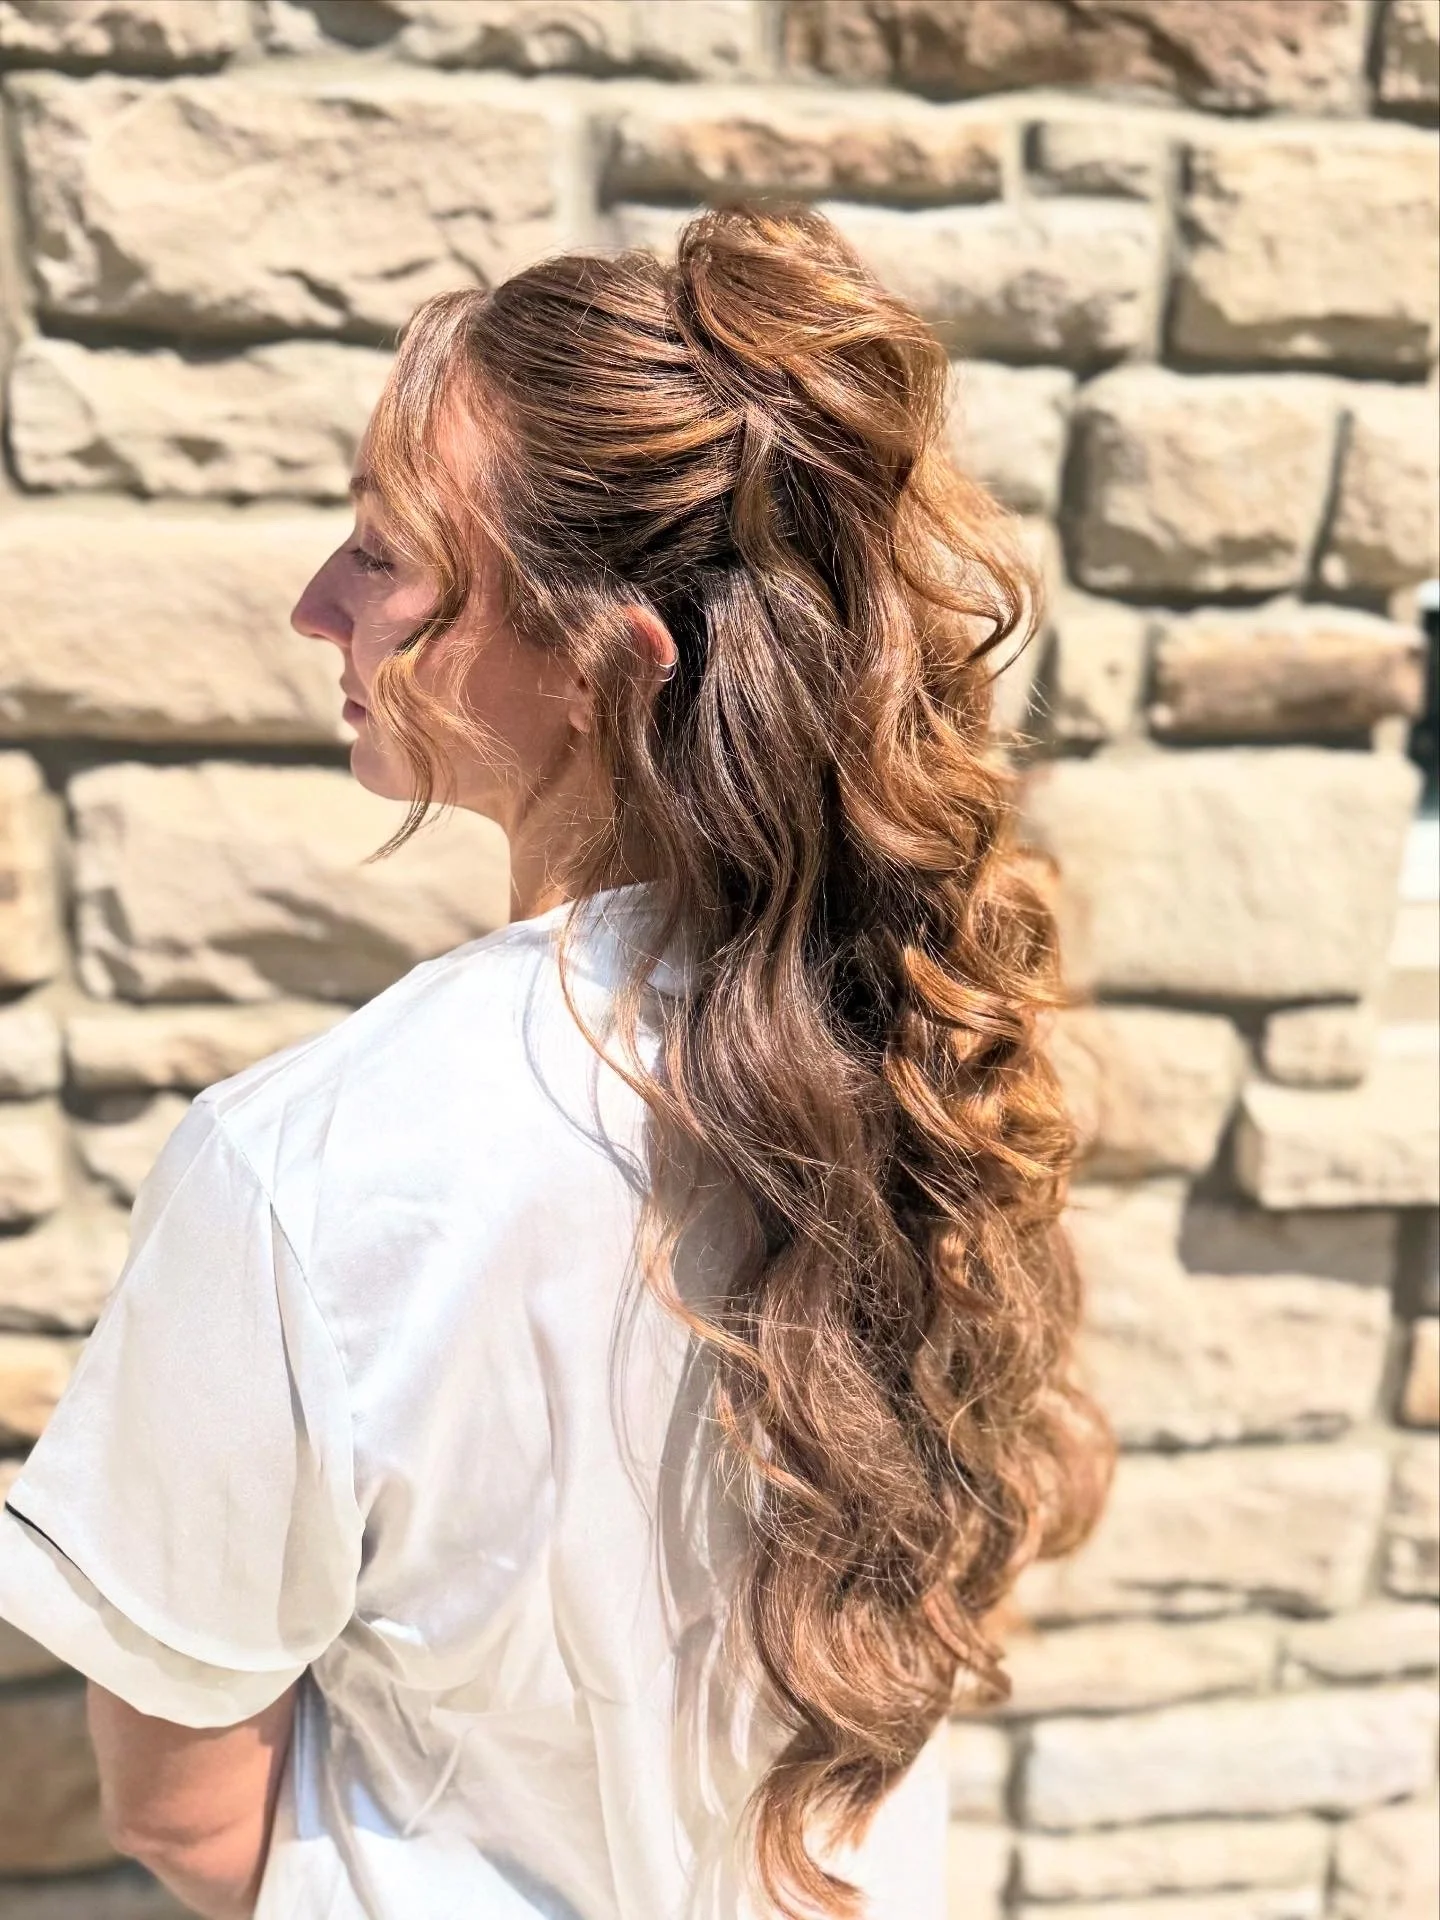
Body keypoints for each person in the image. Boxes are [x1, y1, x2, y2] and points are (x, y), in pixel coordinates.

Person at [0, 206, 1108, 1920]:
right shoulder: (918, 1058)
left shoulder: (303, 1167)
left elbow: (187, 1812)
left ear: (607, 663)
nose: (317, 607)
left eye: (381, 554)